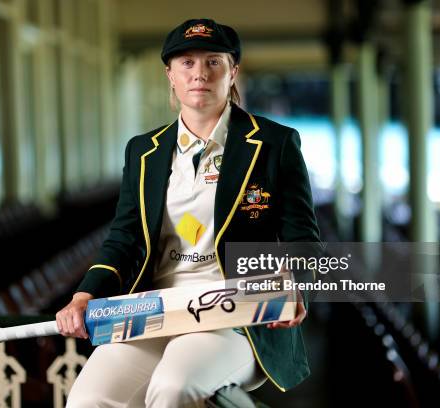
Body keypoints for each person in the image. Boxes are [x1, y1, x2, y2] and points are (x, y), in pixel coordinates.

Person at [56, 18, 321, 408]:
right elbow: (124, 236)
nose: (200, 74)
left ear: (233, 72)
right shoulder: (143, 150)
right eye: (187, 63)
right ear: (170, 75)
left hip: (234, 313)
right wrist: (84, 295)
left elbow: (303, 237)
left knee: (173, 387)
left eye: (214, 62)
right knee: (88, 399)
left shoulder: (274, 144)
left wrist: (296, 286)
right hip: (153, 311)